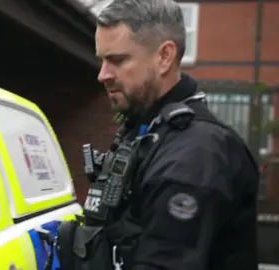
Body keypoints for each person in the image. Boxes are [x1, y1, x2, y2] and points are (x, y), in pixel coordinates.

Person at [63, 0, 259, 269]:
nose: (103, 74)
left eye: (117, 60)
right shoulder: (149, 131)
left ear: (165, 57)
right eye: (102, 60)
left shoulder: (194, 156)